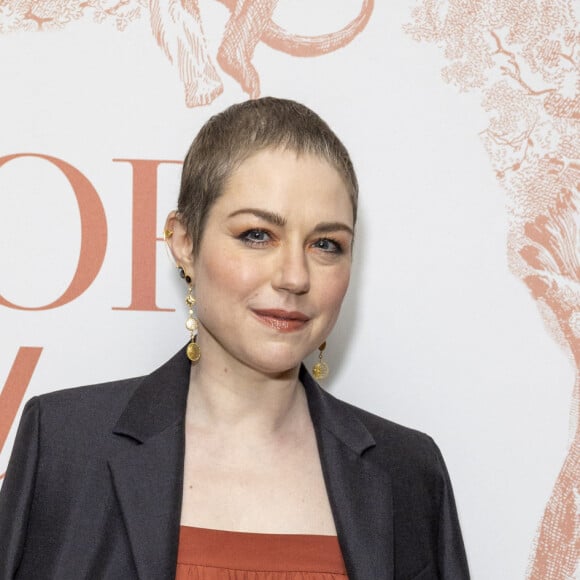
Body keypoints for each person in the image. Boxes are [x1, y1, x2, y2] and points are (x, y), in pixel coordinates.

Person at [0, 97, 470, 579]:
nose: (294, 276)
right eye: (257, 235)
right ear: (184, 243)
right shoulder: (64, 445)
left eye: (326, 244)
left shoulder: (408, 472)